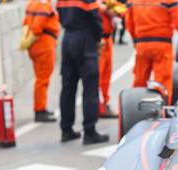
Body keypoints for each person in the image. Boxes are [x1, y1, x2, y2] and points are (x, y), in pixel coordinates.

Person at [56, 0, 109, 144]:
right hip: (85, 40)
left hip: (67, 39)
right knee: (90, 88)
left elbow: (59, 15)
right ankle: (90, 131)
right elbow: (96, 19)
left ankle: (66, 130)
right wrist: (98, 38)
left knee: (68, 87)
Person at [125, 0, 178, 103]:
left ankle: (135, 107)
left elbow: (129, 22)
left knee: (140, 80)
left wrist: (135, 39)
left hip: (142, 45)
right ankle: (162, 111)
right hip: (162, 45)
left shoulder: (132, 1)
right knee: (162, 82)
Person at [20, 0, 60, 123]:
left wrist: (26, 40)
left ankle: (40, 108)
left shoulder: (32, 3)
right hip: (44, 46)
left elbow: (26, 23)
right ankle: (40, 110)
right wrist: (29, 40)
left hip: (35, 46)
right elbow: (37, 27)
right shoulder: (44, 5)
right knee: (43, 80)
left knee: (40, 79)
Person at [98, 0, 117, 118]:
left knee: (106, 74)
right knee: (98, 75)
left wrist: (115, 11)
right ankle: (99, 106)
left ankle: (104, 103)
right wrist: (105, 9)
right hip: (99, 39)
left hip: (108, 38)